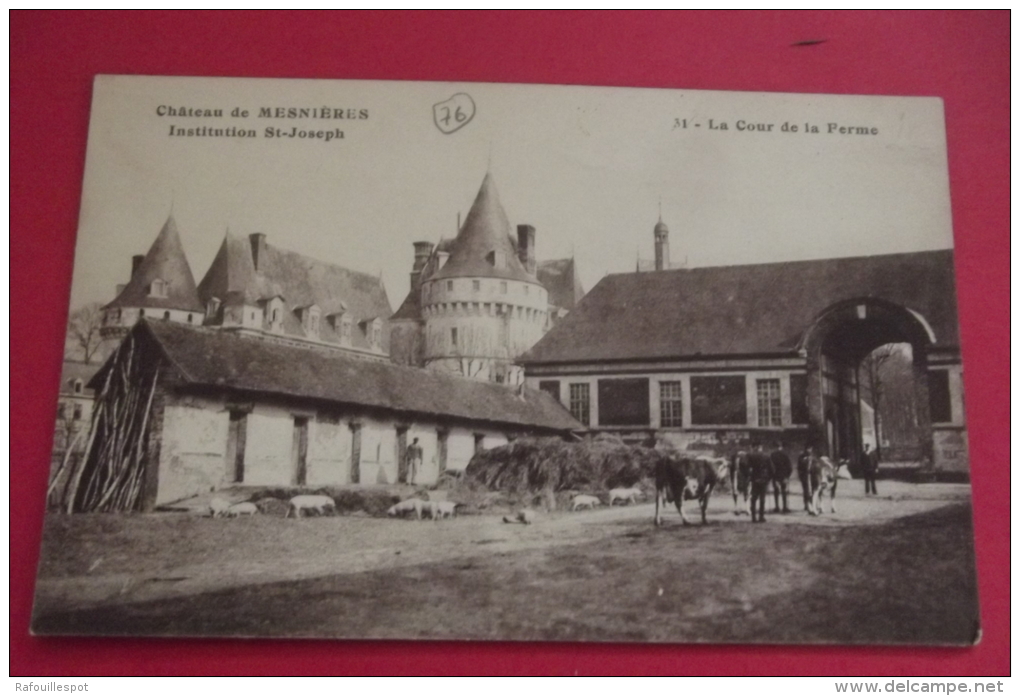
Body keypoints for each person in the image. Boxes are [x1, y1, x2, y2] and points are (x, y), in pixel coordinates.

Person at [747, 444, 774, 523]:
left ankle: (753, 517)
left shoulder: (751, 456)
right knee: (762, 499)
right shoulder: (766, 456)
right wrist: (769, 478)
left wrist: (750, 478)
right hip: (764, 480)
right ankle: (761, 516)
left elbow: (748, 468)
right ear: (761, 447)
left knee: (754, 498)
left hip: (755, 479)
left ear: (756, 447)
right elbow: (772, 469)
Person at [797, 446, 814, 512]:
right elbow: (799, 467)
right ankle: (806, 504)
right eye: (808, 448)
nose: (809, 450)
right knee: (806, 491)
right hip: (804, 476)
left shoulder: (813, 456)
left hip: (812, 476)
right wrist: (800, 476)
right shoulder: (801, 457)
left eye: (810, 448)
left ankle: (812, 503)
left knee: (812, 490)